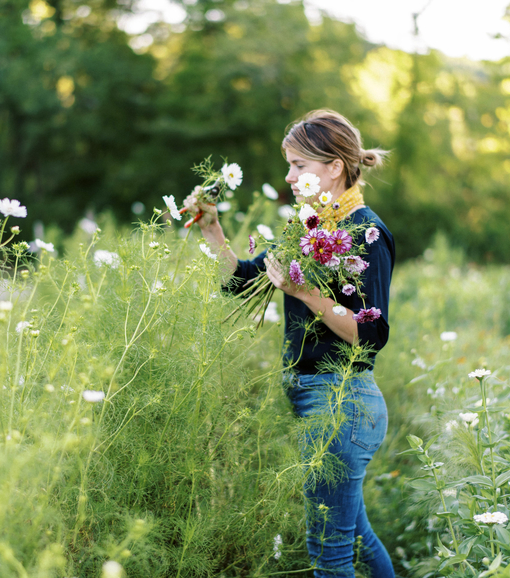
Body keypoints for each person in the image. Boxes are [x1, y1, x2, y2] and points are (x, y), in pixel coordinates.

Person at [183, 109, 395, 578]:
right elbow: (242, 283)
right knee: (353, 536)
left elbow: (371, 335)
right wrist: (211, 228)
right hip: (312, 397)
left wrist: (304, 293)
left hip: (341, 401)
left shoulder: (366, 233)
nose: (288, 175)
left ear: (334, 167)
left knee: (330, 554)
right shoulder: (305, 227)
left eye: (299, 165)